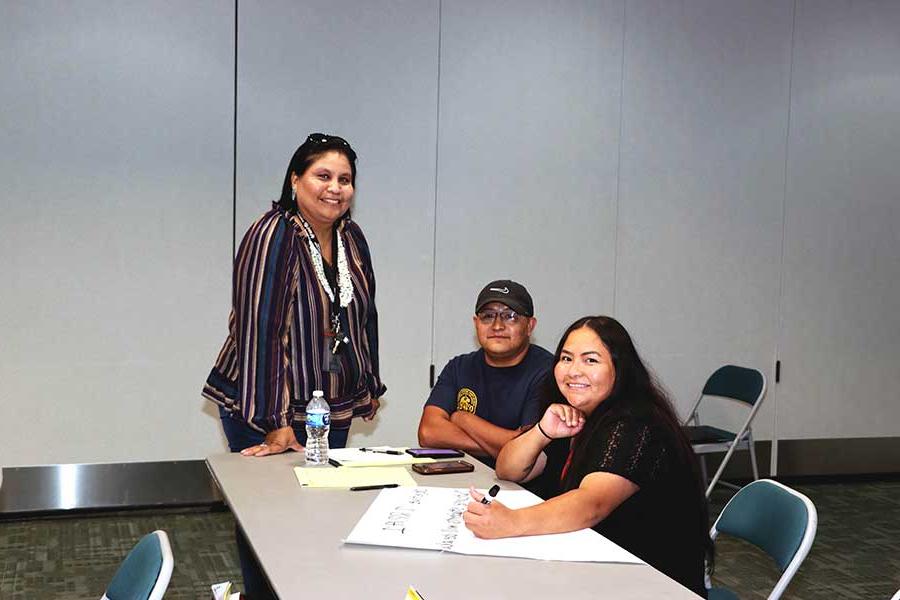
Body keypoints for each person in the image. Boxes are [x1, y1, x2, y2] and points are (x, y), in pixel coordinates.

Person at [202, 133, 386, 598]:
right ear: (295, 179)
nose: (335, 188)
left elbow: (362, 316)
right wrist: (273, 423)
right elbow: (258, 330)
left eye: (345, 179)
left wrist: (366, 385)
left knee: (323, 519)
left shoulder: (351, 237)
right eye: (323, 176)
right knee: (274, 530)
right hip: (268, 406)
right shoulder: (274, 234)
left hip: (328, 406)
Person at [463, 316, 711, 598]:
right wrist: (542, 431)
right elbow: (508, 469)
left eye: (590, 361)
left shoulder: (636, 424)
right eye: (566, 359)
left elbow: (591, 504)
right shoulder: (575, 414)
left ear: (620, 369)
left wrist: (512, 522)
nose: (573, 371)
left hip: (651, 582)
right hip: (596, 566)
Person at [417, 280, 553, 468]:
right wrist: (506, 446)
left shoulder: (549, 372)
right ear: (476, 323)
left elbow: (530, 451)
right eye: (487, 316)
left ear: (530, 325)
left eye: (510, 316)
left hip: (523, 491)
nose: (497, 326)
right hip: (463, 480)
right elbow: (428, 432)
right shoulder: (459, 366)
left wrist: (464, 419)